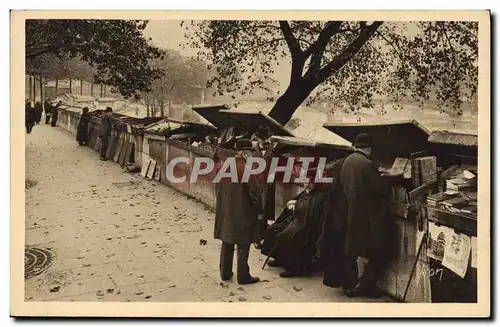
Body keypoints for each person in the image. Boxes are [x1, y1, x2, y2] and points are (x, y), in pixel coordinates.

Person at [337, 133, 390, 298]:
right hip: (368, 216)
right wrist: (386, 179)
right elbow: (379, 190)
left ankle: (349, 285)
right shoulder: (367, 164)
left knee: (351, 249)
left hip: (350, 211)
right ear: (368, 148)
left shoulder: (347, 161)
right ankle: (366, 286)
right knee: (377, 249)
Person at [214, 138, 264, 285]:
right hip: (243, 212)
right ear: (243, 152)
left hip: (226, 212)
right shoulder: (246, 168)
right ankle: (243, 276)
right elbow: (255, 194)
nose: (251, 155)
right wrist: (260, 212)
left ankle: (225, 273)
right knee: (243, 244)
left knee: (227, 241)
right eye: (249, 152)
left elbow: (218, 189)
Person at [261, 181, 327, 278]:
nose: (306, 184)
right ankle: (279, 258)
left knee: (285, 236)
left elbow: (310, 213)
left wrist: (295, 206)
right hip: (295, 220)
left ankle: (293, 267)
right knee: (272, 229)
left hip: (306, 226)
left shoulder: (319, 196)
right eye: (305, 182)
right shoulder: (306, 192)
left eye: (309, 182)